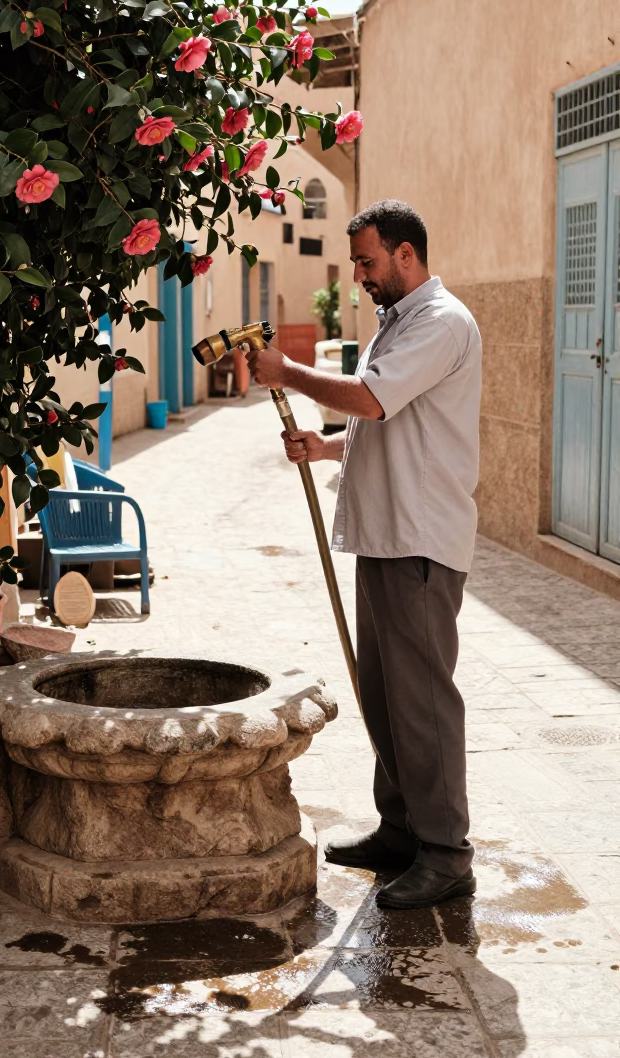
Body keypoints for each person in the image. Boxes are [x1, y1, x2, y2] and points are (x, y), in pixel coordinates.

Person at [245, 200, 482, 910]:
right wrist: (324, 446)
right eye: (356, 263)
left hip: (420, 539)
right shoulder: (399, 322)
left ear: (406, 254)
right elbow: (386, 427)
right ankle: (401, 829)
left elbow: (374, 401)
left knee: (424, 704)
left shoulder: (441, 322)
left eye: (367, 261)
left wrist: (286, 370)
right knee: (384, 694)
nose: (358, 276)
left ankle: (446, 853)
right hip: (386, 536)